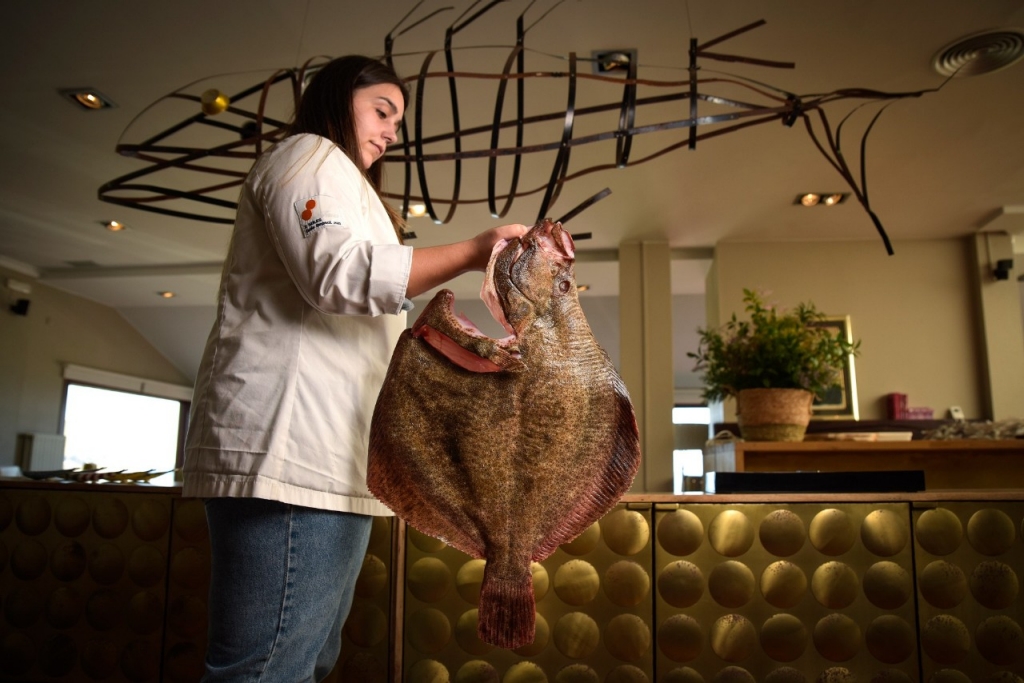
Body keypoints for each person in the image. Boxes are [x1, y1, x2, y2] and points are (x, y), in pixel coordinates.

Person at [182, 55, 527, 682]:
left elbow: (366, 312)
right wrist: (476, 250)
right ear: (338, 99)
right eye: (382, 111)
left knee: (307, 665)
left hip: (332, 462)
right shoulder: (307, 155)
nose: (392, 131)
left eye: (398, 121)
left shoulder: (353, 191)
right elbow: (339, 275)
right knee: (265, 671)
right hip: (289, 457)